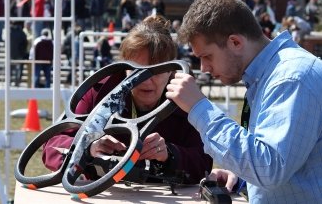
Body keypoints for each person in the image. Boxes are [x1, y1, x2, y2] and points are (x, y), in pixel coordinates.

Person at [165, 0, 322, 203]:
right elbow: (283, 159)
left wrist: (199, 108)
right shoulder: (271, 74)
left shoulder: (292, 78)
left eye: (207, 56)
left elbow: (269, 168)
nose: (204, 68)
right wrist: (242, 178)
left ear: (235, 43)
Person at [42, 15, 213, 185]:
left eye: (157, 71)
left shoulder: (185, 101)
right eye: (137, 72)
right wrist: (87, 146)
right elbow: (51, 145)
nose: (146, 80)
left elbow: (204, 162)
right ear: (124, 69)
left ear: (171, 72)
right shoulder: (100, 91)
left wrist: (170, 153)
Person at [9, 23, 28, 87]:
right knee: (18, 70)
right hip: (19, 55)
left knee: (10, 69)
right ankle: (17, 82)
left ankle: (9, 82)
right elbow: (25, 43)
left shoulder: (10, 32)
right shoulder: (22, 33)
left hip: (11, 54)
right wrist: (22, 52)